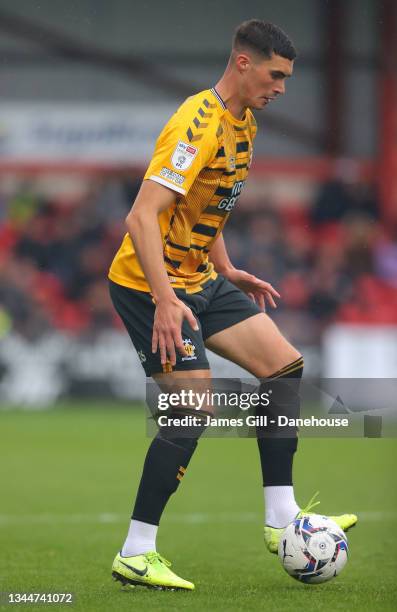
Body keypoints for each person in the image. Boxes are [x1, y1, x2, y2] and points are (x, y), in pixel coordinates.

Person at [108, 19, 357, 591]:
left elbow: (201, 204)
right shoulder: (195, 125)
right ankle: (136, 552)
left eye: (288, 78)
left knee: (284, 367)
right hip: (150, 286)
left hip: (198, 277)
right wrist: (167, 300)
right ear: (243, 63)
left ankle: (280, 517)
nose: (283, 88)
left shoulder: (245, 124)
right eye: (276, 74)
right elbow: (142, 216)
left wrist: (225, 267)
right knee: (193, 410)